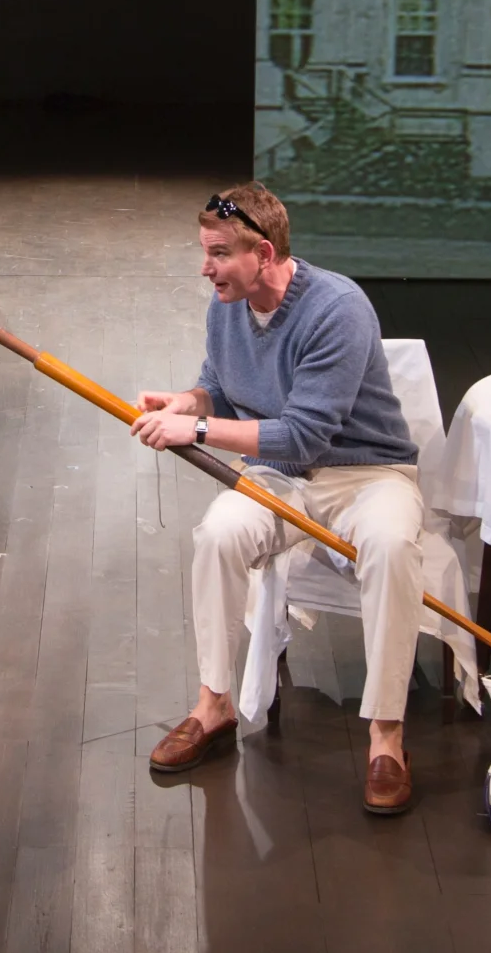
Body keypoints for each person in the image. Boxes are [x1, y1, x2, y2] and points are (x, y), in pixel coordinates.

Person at [130, 181, 424, 814]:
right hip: (280, 476)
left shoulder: (337, 308)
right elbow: (222, 386)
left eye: (218, 254)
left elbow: (305, 433)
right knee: (218, 535)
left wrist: (198, 429)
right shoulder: (226, 305)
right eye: (204, 251)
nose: (205, 268)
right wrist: (189, 401)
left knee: (394, 545)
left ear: (263, 253)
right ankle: (213, 707)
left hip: (366, 474)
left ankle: (387, 736)